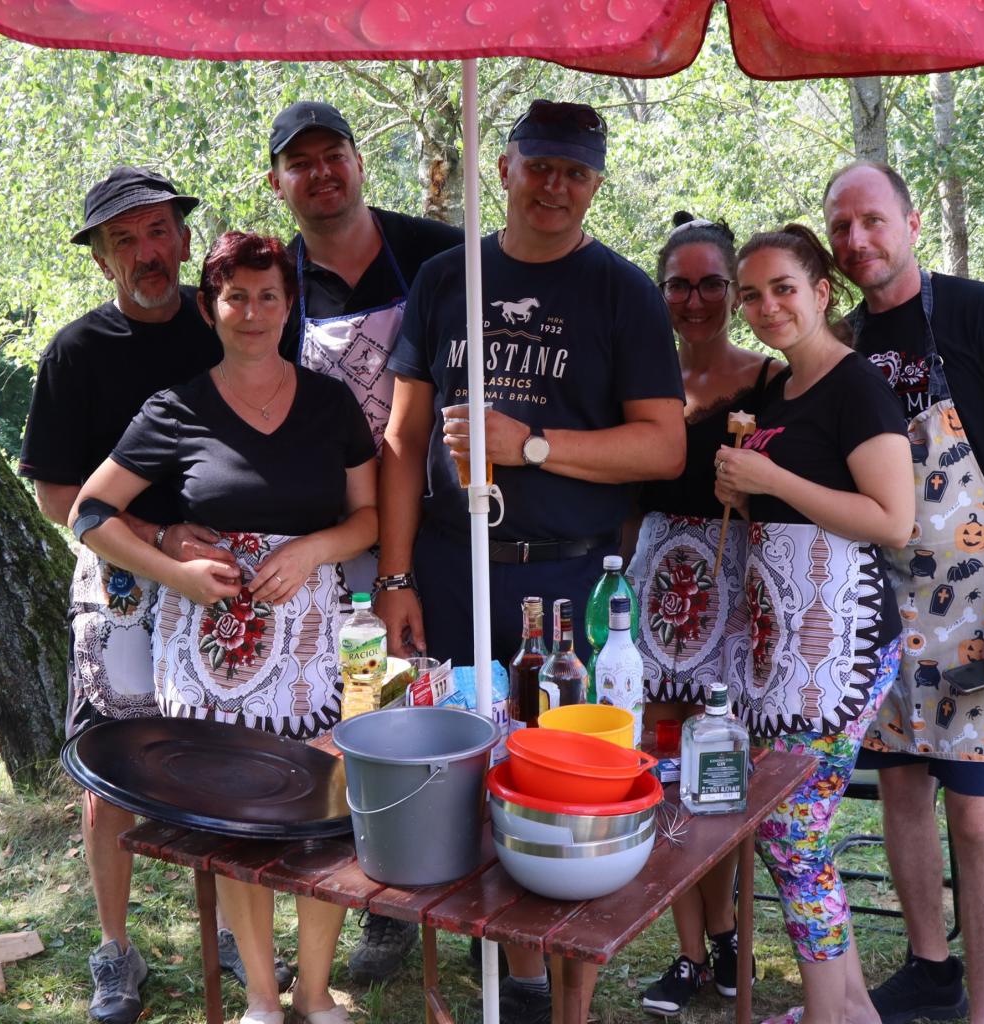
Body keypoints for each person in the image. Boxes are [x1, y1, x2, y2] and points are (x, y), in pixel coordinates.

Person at [378, 98, 686, 1024]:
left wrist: (533, 446)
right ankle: (493, 973)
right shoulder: (446, 278)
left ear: (595, 184)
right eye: (539, 165)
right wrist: (394, 577)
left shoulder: (620, 291)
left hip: (565, 580)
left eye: (575, 172)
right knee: (453, 768)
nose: (555, 186)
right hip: (449, 568)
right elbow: (402, 440)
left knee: (563, 781)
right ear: (504, 167)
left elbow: (662, 445)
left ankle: (560, 995)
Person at [68, 231, 378, 1024]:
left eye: (268, 295)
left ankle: (316, 992)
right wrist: (173, 571)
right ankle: (262, 998)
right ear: (210, 309)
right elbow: (91, 512)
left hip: (309, 639)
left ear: (288, 305)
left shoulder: (330, 404)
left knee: (325, 809)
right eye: (235, 296)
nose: (252, 311)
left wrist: (312, 549)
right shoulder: (176, 408)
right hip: (209, 649)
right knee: (237, 821)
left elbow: (368, 518)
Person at [822, 161, 984, 1024]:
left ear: (912, 221)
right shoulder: (840, 343)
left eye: (872, 220)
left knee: (976, 818)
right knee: (898, 794)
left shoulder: (980, 313)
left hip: (979, 612)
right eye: (841, 227)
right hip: (882, 611)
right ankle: (931, 970)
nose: (857, 239)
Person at [17, 166, 232, 1024]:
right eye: (123, 240)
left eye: (157, 232)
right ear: (101, 260)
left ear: (184, 238)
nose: (146, 252)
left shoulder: (230, 324)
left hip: (224, 574)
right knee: (110, 771)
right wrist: (157, 541)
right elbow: (55, 497)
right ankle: (116, 951)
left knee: (225, 758)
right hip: (119, 584)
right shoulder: (76, 352)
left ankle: (232, 926)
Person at [268, 103, 461, 979]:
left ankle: (451, 883)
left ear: (357, 161)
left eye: (332, 154)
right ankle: (377, 898)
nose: (321, 173)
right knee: (355, 713)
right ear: (278, 183)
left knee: (437, 705)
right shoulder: (275, 281)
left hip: (441, 519)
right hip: (334, 530)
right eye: (299, 162)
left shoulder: (437, 254)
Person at [714, 225, 914, 1024]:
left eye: (782, 289)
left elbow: (891, 520)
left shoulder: (854, 386)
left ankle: (829, 1016)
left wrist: (771, 478)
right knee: (794, 833)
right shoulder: (776, 393)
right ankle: (852, 1007)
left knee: (791, 831)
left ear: (822, 292)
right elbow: (785, 511)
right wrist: (743, 492)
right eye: (750, 295)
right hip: (783, 646)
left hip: (841, 644)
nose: (766, 307)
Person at [630, 211, 779, 1017]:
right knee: (662, 772)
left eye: (710, 284)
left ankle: (726, 934)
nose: (693, 300)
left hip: (733, 593)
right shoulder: (639, 380)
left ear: (734, 291)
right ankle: (691, 951)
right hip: (655, 596)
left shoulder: (771, 382)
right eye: (677, 285)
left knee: (716, 770)